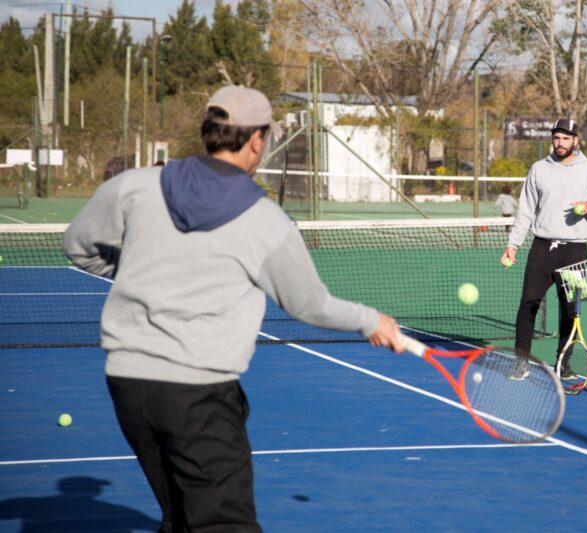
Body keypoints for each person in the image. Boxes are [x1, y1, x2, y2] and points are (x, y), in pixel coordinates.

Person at [63, 85, 403, 532]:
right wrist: (370, 320)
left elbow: (78, 245)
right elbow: (309, 304)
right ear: (257, 140)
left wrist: (148, 269)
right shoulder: (266, 222)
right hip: (198, 395)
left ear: (209, 131)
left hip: (128, 387)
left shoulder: (136, 185)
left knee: (182, 517)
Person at [500, 118, 587, 378]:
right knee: (527, 305)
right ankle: (521, 363)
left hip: (574, 251)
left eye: (565, 138)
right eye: (556, 138)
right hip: (542, 249)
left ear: (575, 140)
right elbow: (525, 211)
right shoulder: (538, 169)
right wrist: (512, 244)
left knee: (571, 311)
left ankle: (564, 363)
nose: (560, 143)